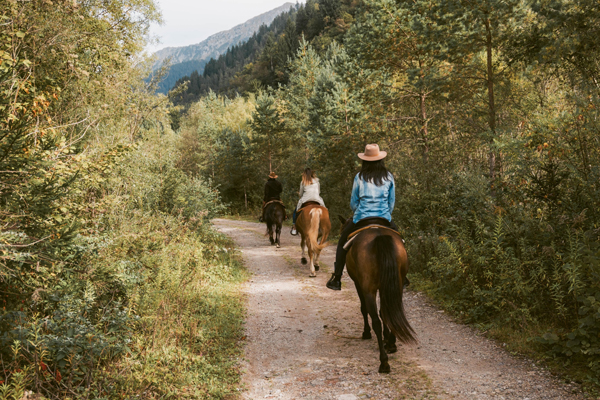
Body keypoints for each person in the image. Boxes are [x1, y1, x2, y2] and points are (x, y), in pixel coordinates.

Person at [326, 144, 398, 291]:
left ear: (365, 160)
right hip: (384, 217)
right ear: (380, 160)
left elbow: (354, 202)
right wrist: (386, 215)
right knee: (400, 241)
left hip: (362, 218)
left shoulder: (359, 177)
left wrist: (358, 212)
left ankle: (337, 278)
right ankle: (402, 276)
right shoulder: (388, 176)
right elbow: (391, 202)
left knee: (342, 243)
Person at [291, 168, 326, 236]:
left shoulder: (303, 182)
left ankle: (294, 228)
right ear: (312, 173)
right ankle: (325, 225)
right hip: (317, 199)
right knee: (325, 210)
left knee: (296, 211)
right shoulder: (317, 181)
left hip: (306, 199)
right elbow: (319, 192)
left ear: (304, 174)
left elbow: (301, 194)